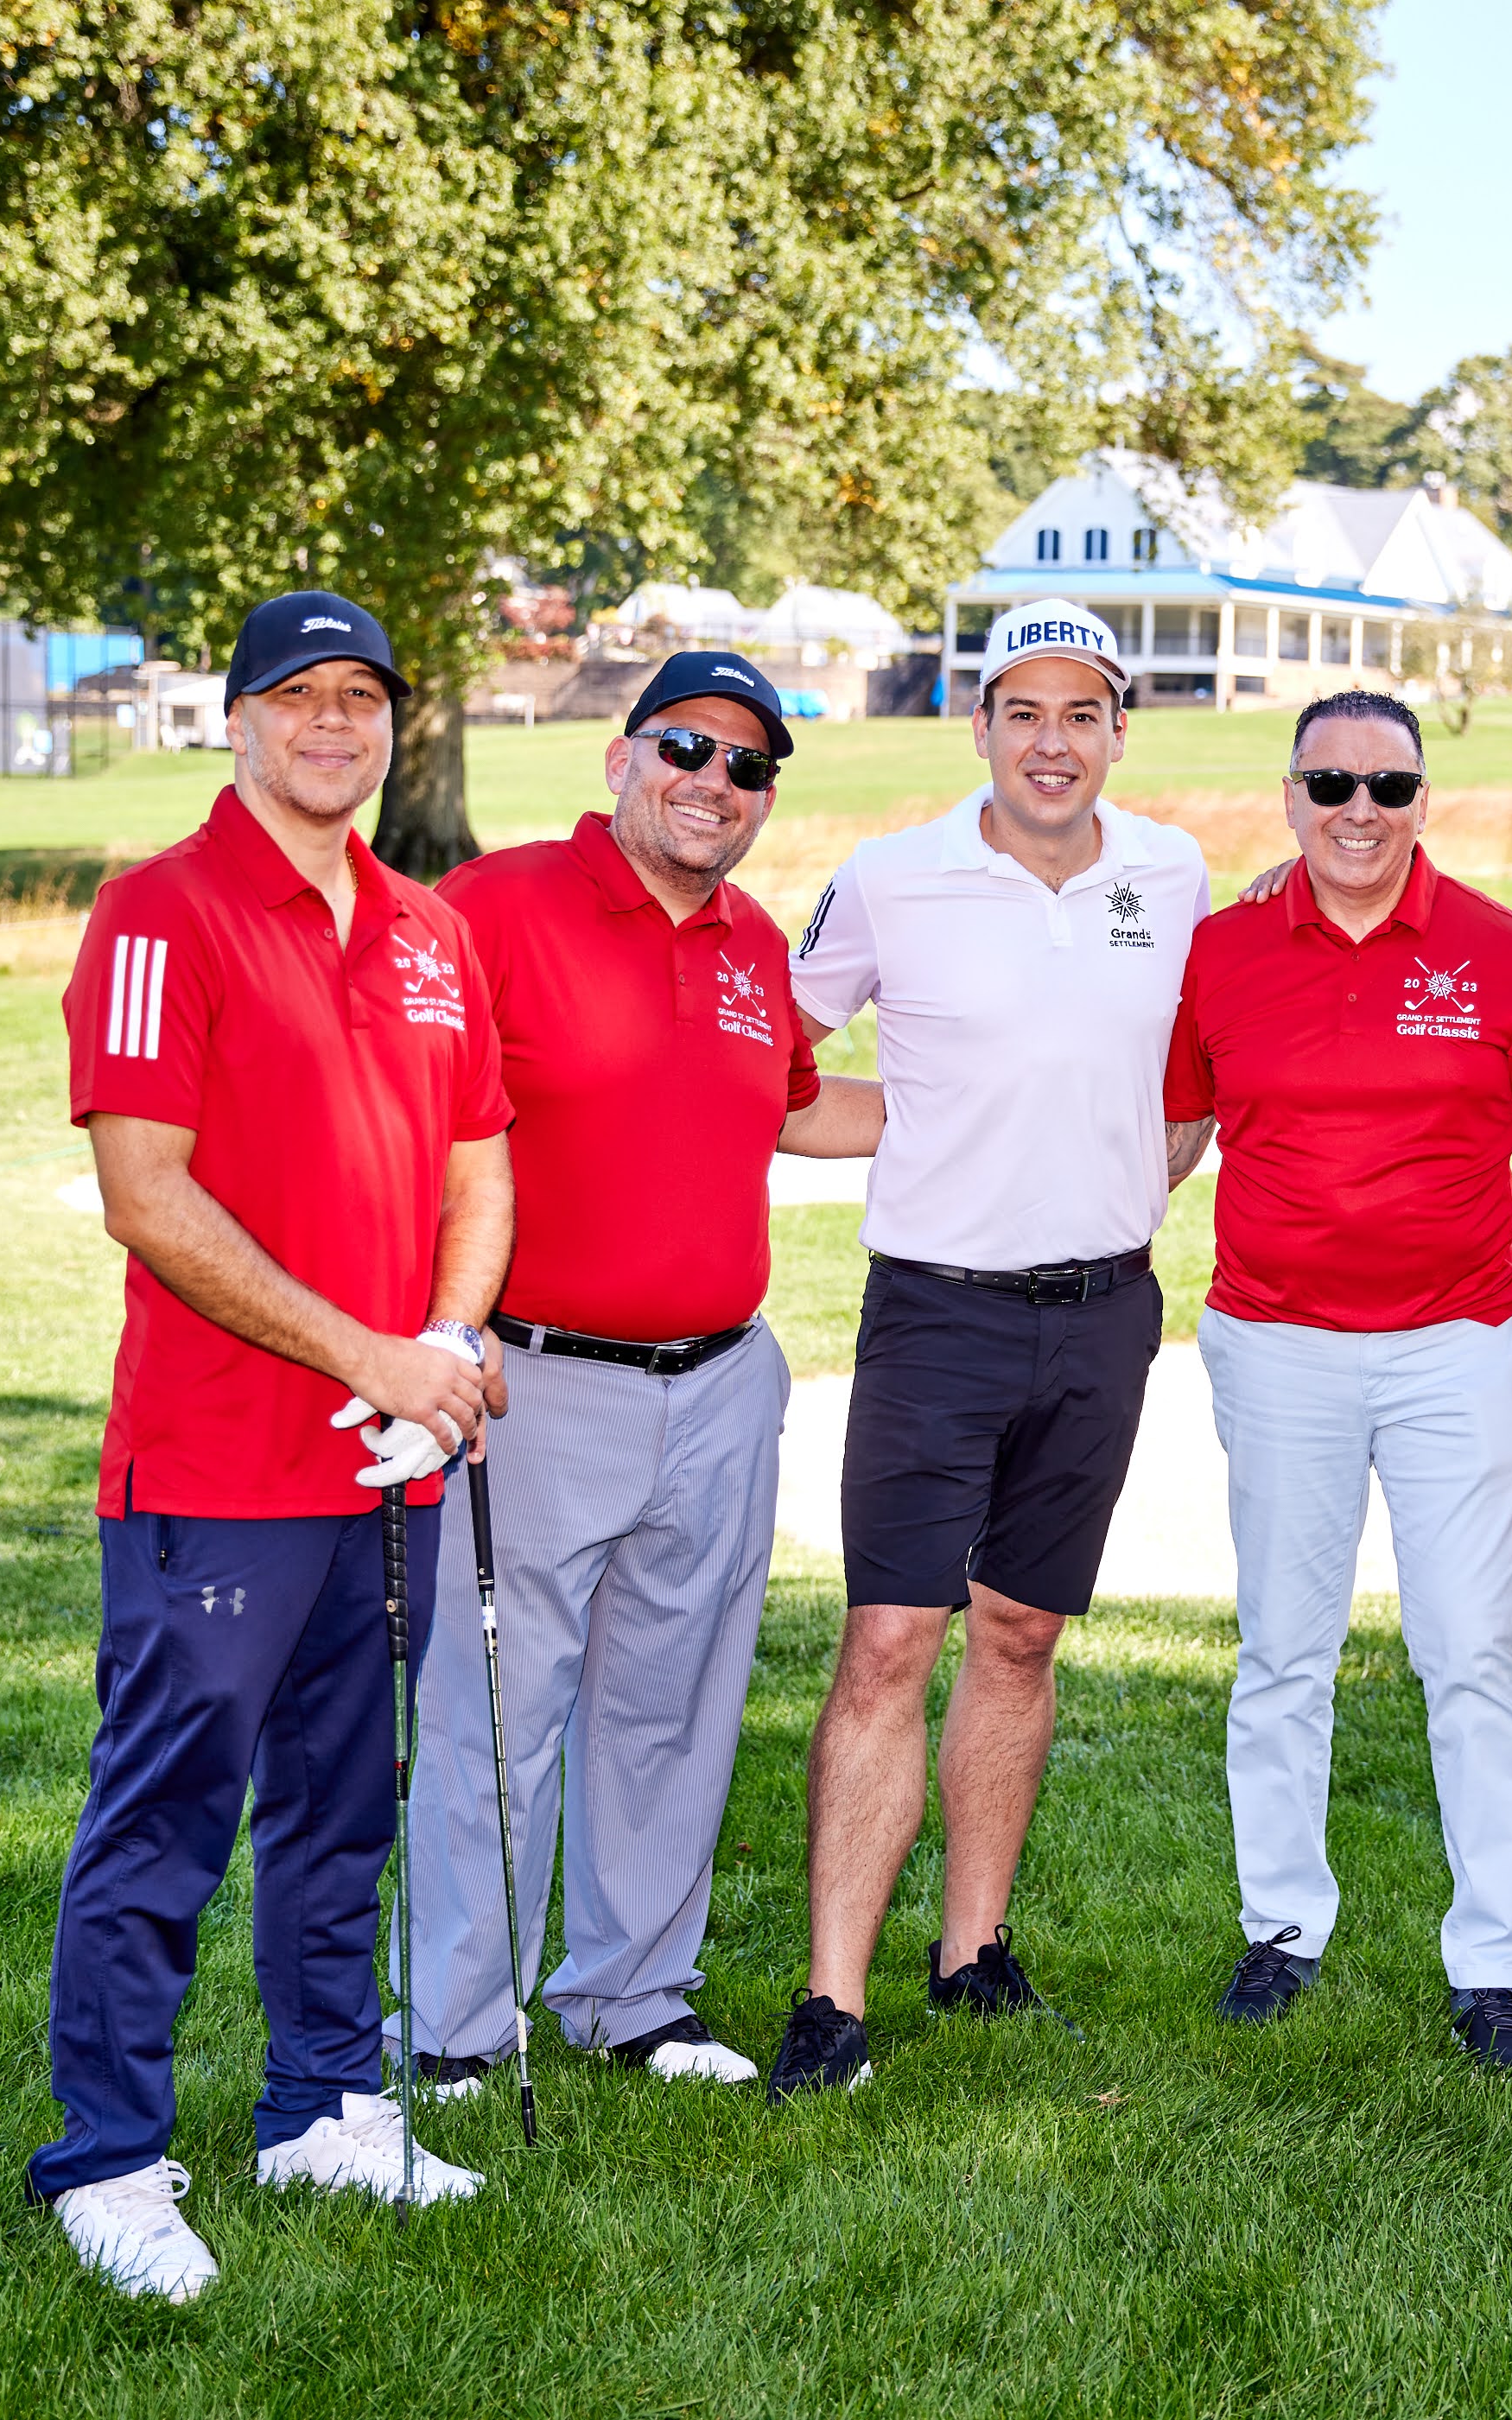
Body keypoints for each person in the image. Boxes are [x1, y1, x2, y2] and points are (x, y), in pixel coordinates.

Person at [35, 592, 515, 2302]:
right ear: (233, 721)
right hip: (221, 1465)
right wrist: (373, 1353)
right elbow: (146, 1196)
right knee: (164, 1818)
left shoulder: (427, 929)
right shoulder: (160, 914)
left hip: (388, 1461)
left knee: (344, 1807)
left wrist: (447, 1354)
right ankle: (104, 2157)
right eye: (295, 697)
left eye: (362, 699)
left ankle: (320, 2103)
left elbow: (481, 1167)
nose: (333, 726)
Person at [403, 651, 884, 2103]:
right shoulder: (493, 910)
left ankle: (631, 1993)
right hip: (533, 1386)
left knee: (672, 1710)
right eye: (687, 748)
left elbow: (799, 1112)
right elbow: (405, 1116)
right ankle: (457, 2027)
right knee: (495, 1715)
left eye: (748, 767)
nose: (715, 784)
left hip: (721, 1384)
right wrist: (436, 1324)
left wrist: (1029, 1102)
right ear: (621, 757)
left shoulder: (750, 946)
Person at [774, 600, 1210, 2098]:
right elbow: (771, 1055)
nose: (1051, 740)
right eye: (1023, 711)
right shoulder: (894, 878)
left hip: (1104, 1312)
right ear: (979, 726)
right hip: (938, 1312)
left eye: (1080, 713)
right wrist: (922, 1121)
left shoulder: (1171, 868)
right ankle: (833, 1999)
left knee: (1019, 1634)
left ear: (1116, 734)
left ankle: (972, 1953)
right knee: (890, 1638)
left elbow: (1188, 1069)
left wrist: (1134, 1171)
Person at [1162, 689, 1512, 2075]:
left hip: (1455, 1349)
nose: (1362, 811)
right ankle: (1281, 1927)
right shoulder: (1222, 949)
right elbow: (1165, 1142)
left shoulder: (1503, 951)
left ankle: (1494, 1963)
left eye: (1390, 787)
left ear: (1426, 799)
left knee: (1470, 1656)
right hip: (1275, 1342)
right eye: (1332, 783)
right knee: (1282, 1653)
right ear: (1289, 794)